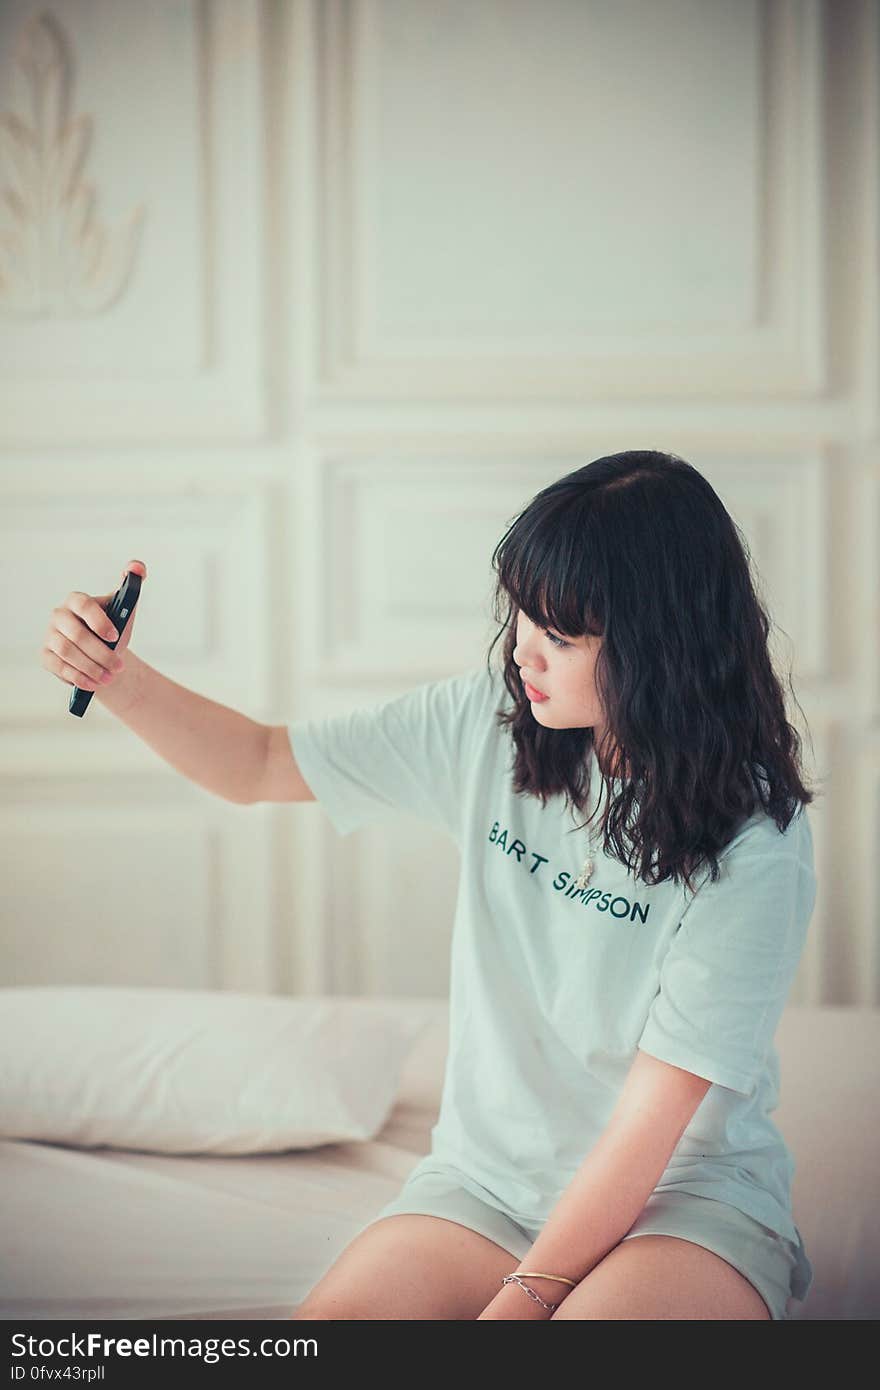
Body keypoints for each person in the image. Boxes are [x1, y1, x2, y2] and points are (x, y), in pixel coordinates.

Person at [40, 450, 820, 1319]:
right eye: (523, 611)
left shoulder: (758, 840)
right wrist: (115, 678)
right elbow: (259, 763)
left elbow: (651, 1123)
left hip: (681, 1204)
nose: (524, 647)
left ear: (659, 648)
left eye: (561, 634)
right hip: (487, 1187)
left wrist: (523, 1303)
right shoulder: (484, 726)